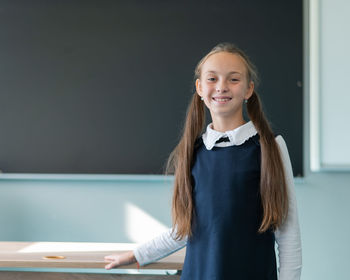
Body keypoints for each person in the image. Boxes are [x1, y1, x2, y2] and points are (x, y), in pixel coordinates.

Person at [104, 42, 302, 280]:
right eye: (212, 79)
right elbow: (186, 230)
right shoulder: (193, 151)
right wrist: (138, 254)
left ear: (248, 89)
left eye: (233, 79)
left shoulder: (270, 147)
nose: (221, 87)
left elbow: (288, 234)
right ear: (199, 87)